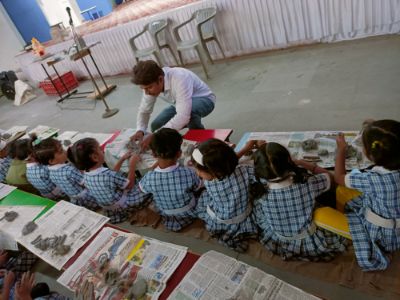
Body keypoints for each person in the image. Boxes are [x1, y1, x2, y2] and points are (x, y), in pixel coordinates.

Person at [251, 141, 347, 261]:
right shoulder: (307, 184)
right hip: (309, 239)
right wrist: (306, 165)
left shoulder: (259, 189)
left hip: (279, 238)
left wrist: (263, 154)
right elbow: (330, 178)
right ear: (289, 160)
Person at [335, 119, 400, 271]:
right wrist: (377, 127)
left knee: (342, 193)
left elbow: (338, 177)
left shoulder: (373, 179)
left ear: (370, 155)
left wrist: (341, 150)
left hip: (386, 235)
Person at [191, 139, 262, 252]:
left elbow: (227, 163)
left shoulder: (210, 181)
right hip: (243, 216)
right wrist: (257, 148)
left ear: (214, 171)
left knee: (204, 196)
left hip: (219, 219)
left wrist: (244, 149)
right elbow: (229, 162)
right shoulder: (245, 171)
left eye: (198, 170)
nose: (197, 173)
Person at [130, 60, 216, 149]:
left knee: (190, 113)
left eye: (149, 88)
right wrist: (140, 130)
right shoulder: (150, 84)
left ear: (160, 79)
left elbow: (183, 116)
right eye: (143, 89)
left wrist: (156, 135)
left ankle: (201, 142)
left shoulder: (180, 78)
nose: (146, 93)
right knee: (156, 125)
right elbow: (144, 111)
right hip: (180, 103)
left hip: (205, 100)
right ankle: (176, 144)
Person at [69, 138, 152, 224]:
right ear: (95, 157)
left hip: (110, 208)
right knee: (147, 180)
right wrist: (132, 165)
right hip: (126, 204)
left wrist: (122, 159)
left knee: (121, 176)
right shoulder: (108, 175)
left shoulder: (86, 175)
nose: (103, 151)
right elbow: (129, 185)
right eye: (100, 149)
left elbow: (113, 174)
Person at [139, 128, 202, 231]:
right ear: (179, 154)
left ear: (154, 154)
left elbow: (142, 189)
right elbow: (197, 187)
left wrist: (152, 170)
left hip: (166, 213)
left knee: (152, 198)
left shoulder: (149, 177)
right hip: (189, 211)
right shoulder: (188, 173)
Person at [44, 139, 98, 209]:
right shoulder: (69, 170)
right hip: (87, 198)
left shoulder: (51, 173)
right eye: (61, 151)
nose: (64, 151)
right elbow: (86, 183)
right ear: (51, 161)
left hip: (74, 199)